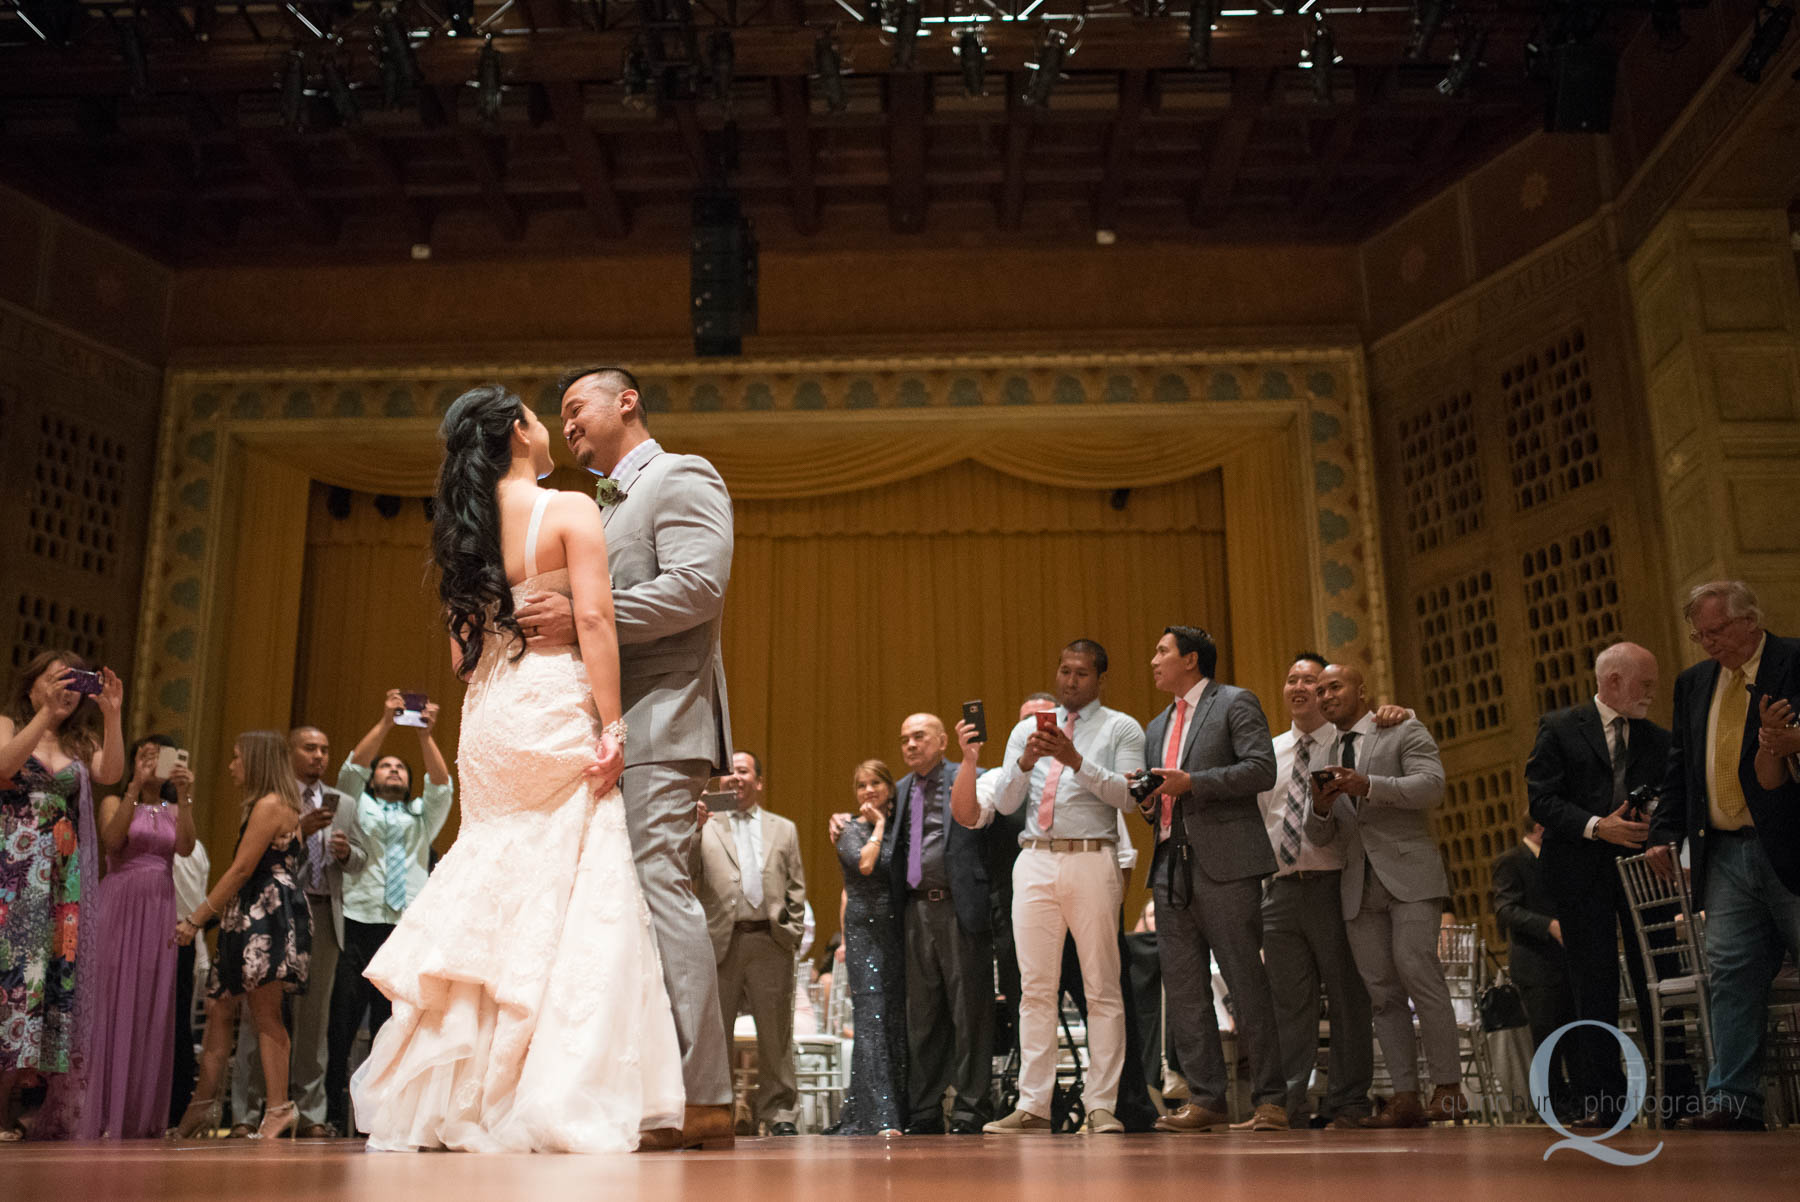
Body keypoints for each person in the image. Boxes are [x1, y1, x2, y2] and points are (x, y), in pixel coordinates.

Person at [349, 384, 684, 1152]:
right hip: (552, 700)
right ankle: (538, 1078)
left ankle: (455, 1086)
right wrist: (613, 720)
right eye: (538, 417)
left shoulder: (462, 532)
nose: (550, 427)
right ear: (517, 435)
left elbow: (464, 662)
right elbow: (595, 618)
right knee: (572, 882)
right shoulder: (566, 509)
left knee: (493, 874)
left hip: (492, 716)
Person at [519, 366, 736, 1151]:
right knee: (621, 906)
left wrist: (583, 617)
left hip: (664, 721)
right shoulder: (600, 505)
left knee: (659, 892)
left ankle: (706, 1096)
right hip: (609, 731)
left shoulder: (680, 477)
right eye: (562, 415)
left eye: (578, 407)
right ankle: (648, 1089)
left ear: (628, 402)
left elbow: (698, 587)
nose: (568, 424)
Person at [958, 640, 1146, 1136]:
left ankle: (1101, 1104)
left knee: (1102, 987)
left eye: (1081, 673)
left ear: (1100, 680)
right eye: (1064, 671)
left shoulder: (1121, 727)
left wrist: (1075, 758)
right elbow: (1002, 801)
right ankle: (1033, 1104)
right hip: (1034, 859)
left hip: (1091, 856)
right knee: (1034, 991)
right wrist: (1023, 763)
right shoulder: (1026, 730)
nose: (1070, 681)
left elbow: (1130, 797)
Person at [1650, 580, 1800, 1130]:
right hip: (1725, 854)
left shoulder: (1793, 659)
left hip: (1790, 846)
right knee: (1731, 974)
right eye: (1699, 634)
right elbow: (1679, 768)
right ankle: (1735, 1101)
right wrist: (1663, 833)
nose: (1709, 643)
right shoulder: (1694, 683)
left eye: (1717, 631)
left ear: (1751, 621)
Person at [1136, 626, 1284, 1133]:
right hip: (1170, 864)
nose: (1153, 660)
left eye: (1162, 651)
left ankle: (1271, 1101)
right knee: (1183, 988)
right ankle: (1206, 1099)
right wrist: (1151, 800)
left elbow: (1261, 770)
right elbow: (1163, 797)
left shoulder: (1236, 702)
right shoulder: (1155, 726)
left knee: (1245, 982)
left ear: (1191, 660)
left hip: (1227, 861)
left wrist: (1193, 783)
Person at [1305, 662, 1461, 1128]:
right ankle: (1406, 1096)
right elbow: (1317, 835)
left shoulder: (1400, 728)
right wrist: (1322, 805)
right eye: (1321, 690)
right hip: (1357, 883)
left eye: (1335, 686)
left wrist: (1367, 784)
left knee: (1418, 972)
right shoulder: (1321, 754)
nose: (1326, 695)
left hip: (1408, 874)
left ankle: (1449, 1090)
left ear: (1362, 690)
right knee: (1382, 995)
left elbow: (1432, 787)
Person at [1525, 641, 1667, 1127]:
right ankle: (1606, 1101)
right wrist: (1596, 826)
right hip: (1579, 870)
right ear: (1612, 682)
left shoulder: (1658, 738)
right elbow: (1542, 801)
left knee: (1657, 979)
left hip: (1646, 870)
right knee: (1594, 984)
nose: (1652, 692)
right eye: (1643, 684)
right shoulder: (1561, 727)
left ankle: (1674, 1091)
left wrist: (1656, 830)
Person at [0, 650, 125, 1140]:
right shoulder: (9, 723)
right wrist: (44, 716)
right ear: (31, 685)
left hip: (60, 882)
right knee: (9, 980)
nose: (68, 690)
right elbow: (5, 766)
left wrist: (112, 714)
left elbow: (110, 773)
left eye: (76, 683)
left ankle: (14, 1105)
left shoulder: (80, 739)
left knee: (44, 988)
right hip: (12, 870)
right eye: (57, 680)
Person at [168, 730, 312, 1142]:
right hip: (246, 914)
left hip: (265, 916)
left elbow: (241, 869)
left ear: (255, 761)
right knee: (218, 1008)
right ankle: (201, 1108)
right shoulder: (264, 805)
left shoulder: (271, 805)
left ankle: (280, 1108)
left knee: (266, 1013)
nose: (231, 766)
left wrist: (196, 918)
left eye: (236, 757)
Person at [1254, 652, 1376, 1129]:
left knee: (1348, 998)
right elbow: (1261, 820)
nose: (1300, 686)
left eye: (1311, 679)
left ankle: (1347, 1103)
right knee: (1287, 1005)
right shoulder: (1268, 752)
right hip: (1280, 890)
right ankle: (1284, 1105)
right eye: (1292, 679)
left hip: (1335, 884)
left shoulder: (1347, 745)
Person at [325, 693, 454, 1136]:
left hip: (404, 930)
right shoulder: (359, 808)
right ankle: (329, 1113)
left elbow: (442, 786)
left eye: (400, 767)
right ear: (375, 778)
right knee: (341, 1022)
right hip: (360, 923)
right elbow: (349, 772)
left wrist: (424, 737)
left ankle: (384, 1116)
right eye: (386, 766)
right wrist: (384, 721)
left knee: (392, 1026)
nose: (393, 769)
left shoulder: (422, 817)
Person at [888, 713, 994, 1133]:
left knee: (970, 1012)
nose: (910, 745)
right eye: (904, 739)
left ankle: (970, 1107)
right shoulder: (899, 789)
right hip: (915, 911)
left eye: (918, 736)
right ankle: (925, 1110)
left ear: (942, 740)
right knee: (923, 1017)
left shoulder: (974, 776)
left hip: (958, 908)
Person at [692, 751, 806, 1135]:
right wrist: (693, 829)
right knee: (715, 1036)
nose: (735, 778)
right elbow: (688, 874)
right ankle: (720, 1114)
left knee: (776, 1038)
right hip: (719, 942)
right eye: (729, 773)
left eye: (744, 771)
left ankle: (779, 1115)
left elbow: (796, 887)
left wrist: (790, 933)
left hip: (769, 942)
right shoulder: (704, 827)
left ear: (758, 781)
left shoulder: (783, 829)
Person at [90, 736, 197, 1138]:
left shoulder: (174, 808)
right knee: (112, 999)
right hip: (120, 903)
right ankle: (102, 1112)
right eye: (144, 754)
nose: (152, 761)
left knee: (149, 1004)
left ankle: (137, 1113)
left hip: (158, 907)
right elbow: (113, 840)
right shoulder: (115, 803)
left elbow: (185, 848)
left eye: (159, 755)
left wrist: (184, 797)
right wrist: (134, 785)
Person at [284, 725, 362, 1137]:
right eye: (309, 748)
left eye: (325, 749)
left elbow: (363, 857)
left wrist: (348, 853)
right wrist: (301, 831)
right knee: (268, 1016)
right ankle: (255, 1110)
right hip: (280, 912)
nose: (318, 755)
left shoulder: (344, 803)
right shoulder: (275, 797)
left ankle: (311, 1113)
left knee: (315, 1021)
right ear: (290, 751)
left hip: (326, 911)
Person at [827, 759, 906, 1136]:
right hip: (865, 934)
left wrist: (886, 825)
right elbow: (865, 866)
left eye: (876, 782)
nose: (868, 790)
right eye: (861, 785)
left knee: (895, 1020)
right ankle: (882, 1116)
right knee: (872, 1019)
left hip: (900, 932)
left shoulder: (899, 829)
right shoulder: (849, 830)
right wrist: (878, 825)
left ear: (890, 787)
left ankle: (893, 1107)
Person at [1490, 818, 1575, 1113]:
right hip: (1534, 961)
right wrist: (1549, 925)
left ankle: (1579, 1100)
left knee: (1573, 1033)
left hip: (1565, 960)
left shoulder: (1558, 860)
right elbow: (1505, 910)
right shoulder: (1511, 861)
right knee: (1546, 1036)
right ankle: (1552, 1106)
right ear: (1540, 827)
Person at [169, 839, 211, 1125]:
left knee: (175, 1027)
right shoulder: (197, 847)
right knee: (178, 1026)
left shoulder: (189, 847)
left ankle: (175, 1108)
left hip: (178, 936)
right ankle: (177, 1109)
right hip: (191, 939)